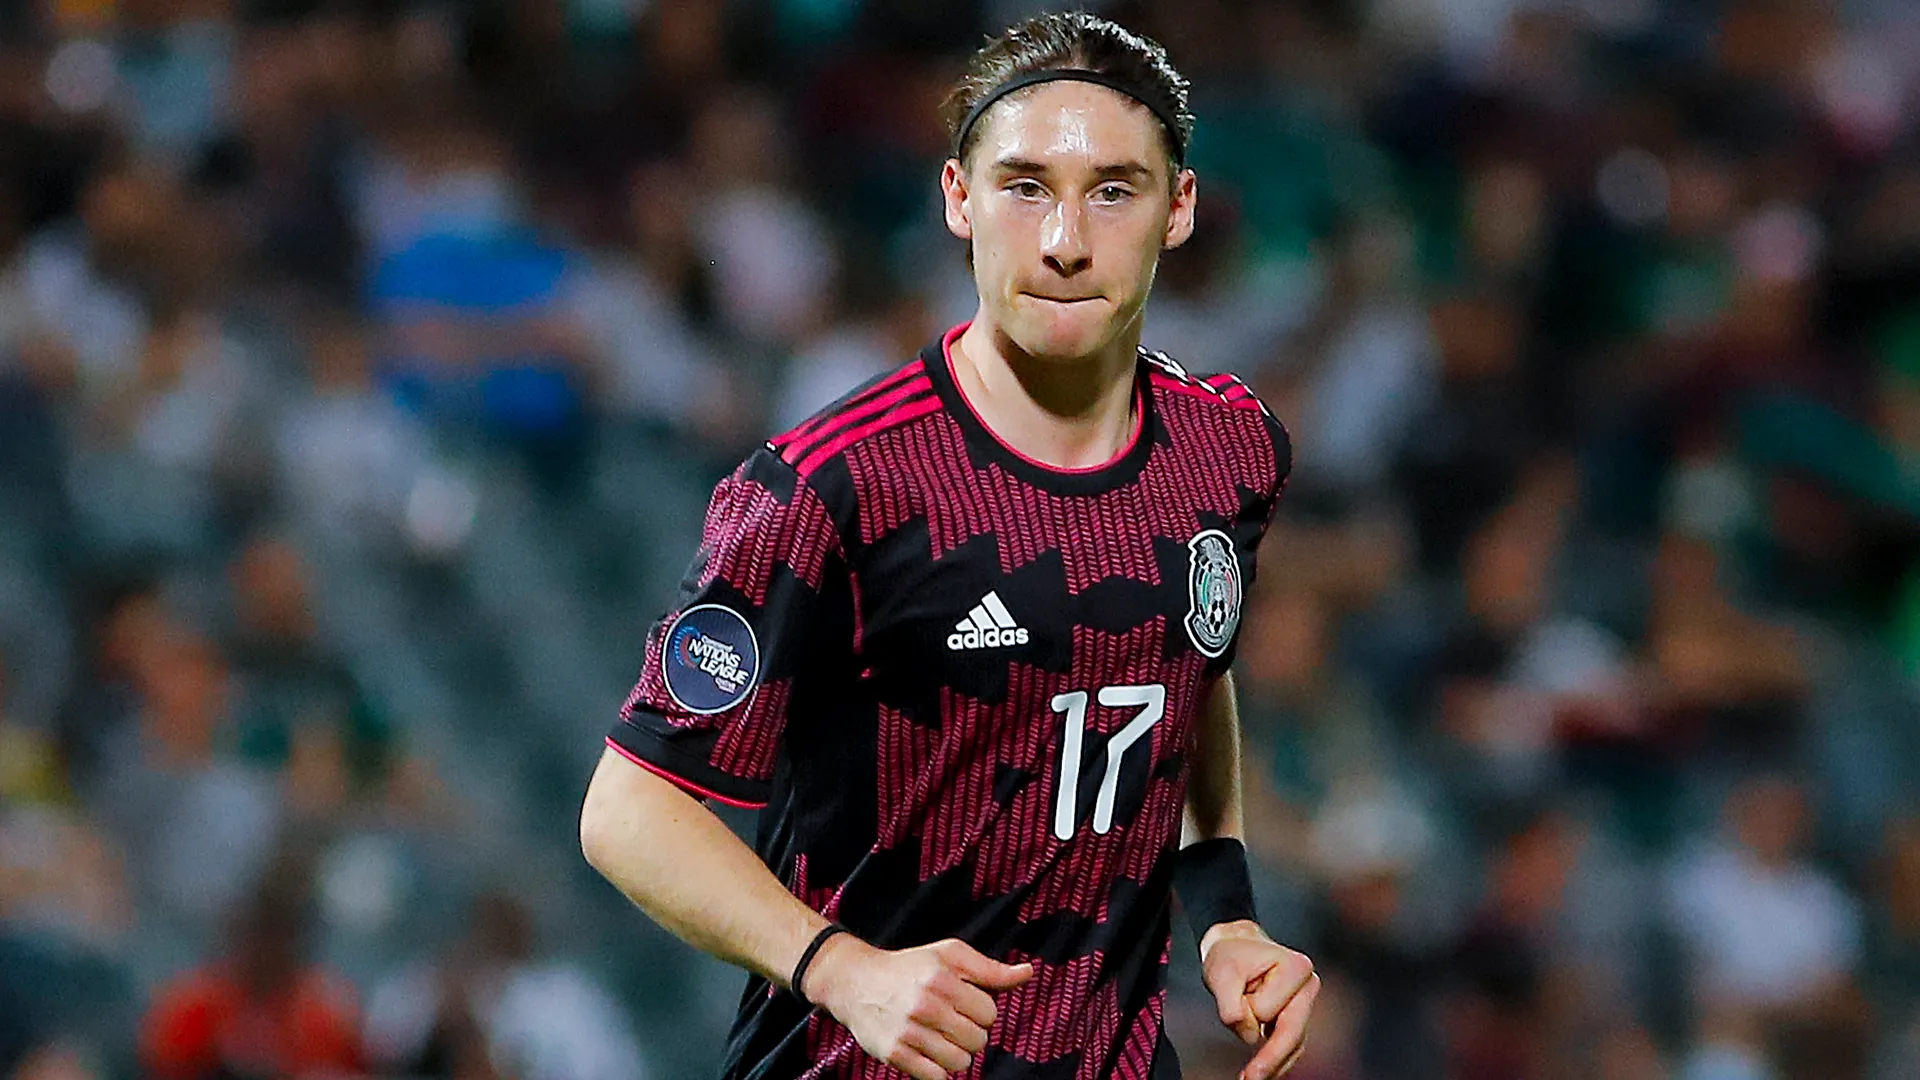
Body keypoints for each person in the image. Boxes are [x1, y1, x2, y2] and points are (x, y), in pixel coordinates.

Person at [579, 12, 1318, 1079]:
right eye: (1025, 186)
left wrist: (1225, 915)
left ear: (1180, 211)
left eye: (1113, 190)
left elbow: (1183, 663)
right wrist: (840, 968)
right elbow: (628, 808)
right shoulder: (831, 485)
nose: (1065, 240)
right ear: (958, 200)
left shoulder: (1231, 447)